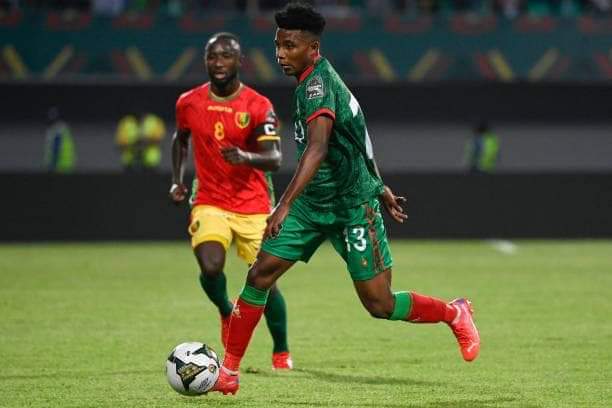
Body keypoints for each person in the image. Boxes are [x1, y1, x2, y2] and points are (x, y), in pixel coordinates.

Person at [212, 2, 480, 395]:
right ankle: (228, 373)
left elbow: (318, 147)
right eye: (277, 45)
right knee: (260, 275)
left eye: (289, 46)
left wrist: (284, 204)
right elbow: (358, 135)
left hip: (350, 206)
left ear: (313, 49)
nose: (280, 54)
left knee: (380, 304)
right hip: (313, 204)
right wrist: (380, 182)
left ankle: (454, 313)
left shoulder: (318, 86)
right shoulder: (313, 80)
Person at [168, 32, 293, 370]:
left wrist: (245, 156)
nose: (218, 62)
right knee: (210, 266)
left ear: (240, 61)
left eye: (226, 56)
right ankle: (226, 309)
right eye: (212, 56)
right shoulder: (189, 102)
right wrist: (177, 181)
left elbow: (275, 158)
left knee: (265, 282)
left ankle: (281, 350)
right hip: (209, 200)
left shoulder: (258, 105)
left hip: (253, 204)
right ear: (205, 61)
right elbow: (180, 139)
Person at [44, 107, 76, 173]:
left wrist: (51, 166)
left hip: (59, 166)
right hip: (68, 164)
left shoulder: (56, 130)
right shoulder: (63, 128)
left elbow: (56, 149)